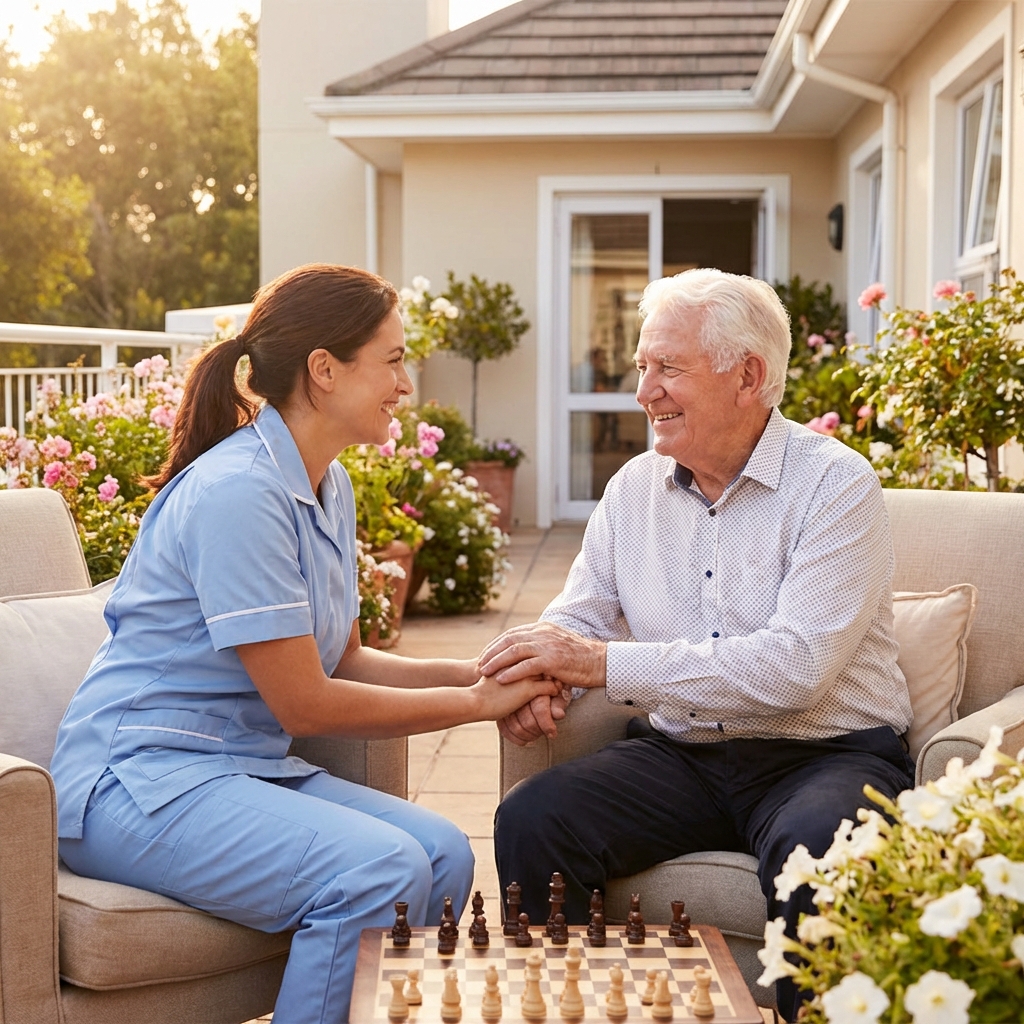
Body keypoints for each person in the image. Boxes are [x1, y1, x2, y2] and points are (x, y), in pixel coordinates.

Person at [49, 264, 559, 1024]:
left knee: (445, 856)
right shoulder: (239, 493)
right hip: (136, 785)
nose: (406, 385)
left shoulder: (329, 483)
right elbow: (306, 701)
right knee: (377, 872)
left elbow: (344, 657)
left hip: (238, 769)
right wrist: (477, 704)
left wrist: (481, 669)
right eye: (392, 361)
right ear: (324, 370)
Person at [480, 269, 915, 1022]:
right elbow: (578, 616)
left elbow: (796, 668)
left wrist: (598, 665)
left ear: (748, 375)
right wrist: (542, 679)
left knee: (825, 851)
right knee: (533, 817)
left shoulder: (837, 486)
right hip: (682, 754)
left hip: (825, 753)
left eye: (668, 368)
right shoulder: (632, 489)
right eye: (644, 366)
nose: (644, 389)